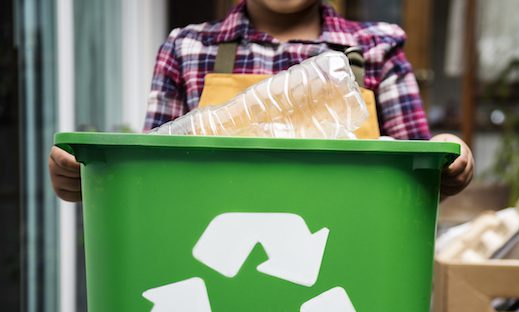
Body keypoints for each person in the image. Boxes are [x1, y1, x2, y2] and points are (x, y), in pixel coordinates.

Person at [49, 0, 473, 202]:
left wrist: (447, 157)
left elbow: (419, 171)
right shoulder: (188, 49)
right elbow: (147, 180)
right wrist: (86, 181)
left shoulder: (378, 50)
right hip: (210, 259)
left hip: (345, 261)